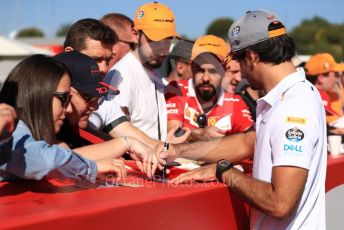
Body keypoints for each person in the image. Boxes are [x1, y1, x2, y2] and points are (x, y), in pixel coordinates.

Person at [150, 10, 327, 229]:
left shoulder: (294, 107)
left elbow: (281, 203)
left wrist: (224, 171)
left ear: (251, 56)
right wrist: (179, 151)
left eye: (237, 59)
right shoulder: (283, 97)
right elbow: (247, 142)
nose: (239, 72)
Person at [0, 54, 126, 184]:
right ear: (40, 94)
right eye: (64, 98)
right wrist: (91, 167)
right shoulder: (10, 127)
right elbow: (43, 160)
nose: (69, 109)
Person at [63, 18, 162, 149]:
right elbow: (55, 158)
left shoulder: (104, 102)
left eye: (108, 60)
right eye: (96, 59)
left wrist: (175, 148)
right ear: (70, 54)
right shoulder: (43, 92)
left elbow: (151, 145)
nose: (104, 69)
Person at [54, 51, 154, 172]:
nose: (95, 107)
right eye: (88, 97)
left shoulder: (79, 128)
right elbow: (55, 158)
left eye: (98, 98)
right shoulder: (32, 127)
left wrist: (169, 147)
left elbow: (153, 146)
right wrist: (126, 143)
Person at [104, 2, 183, 141]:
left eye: (167, 40)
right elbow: (116, 134)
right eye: (154, 40)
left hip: (156, 158)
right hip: (131, 162)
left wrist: (167, 145)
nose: (161, 49)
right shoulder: (121, 75)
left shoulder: (153, 68)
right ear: (135, 35)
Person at [166, 35, 253, 141]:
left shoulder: (236, 103)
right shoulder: (176, 90)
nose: (206, 78)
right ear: (192, 68)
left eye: (213, 71)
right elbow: (172, 134)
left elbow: (250, 141)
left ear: (224, 71)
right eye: (200, 70)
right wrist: (200, 134)